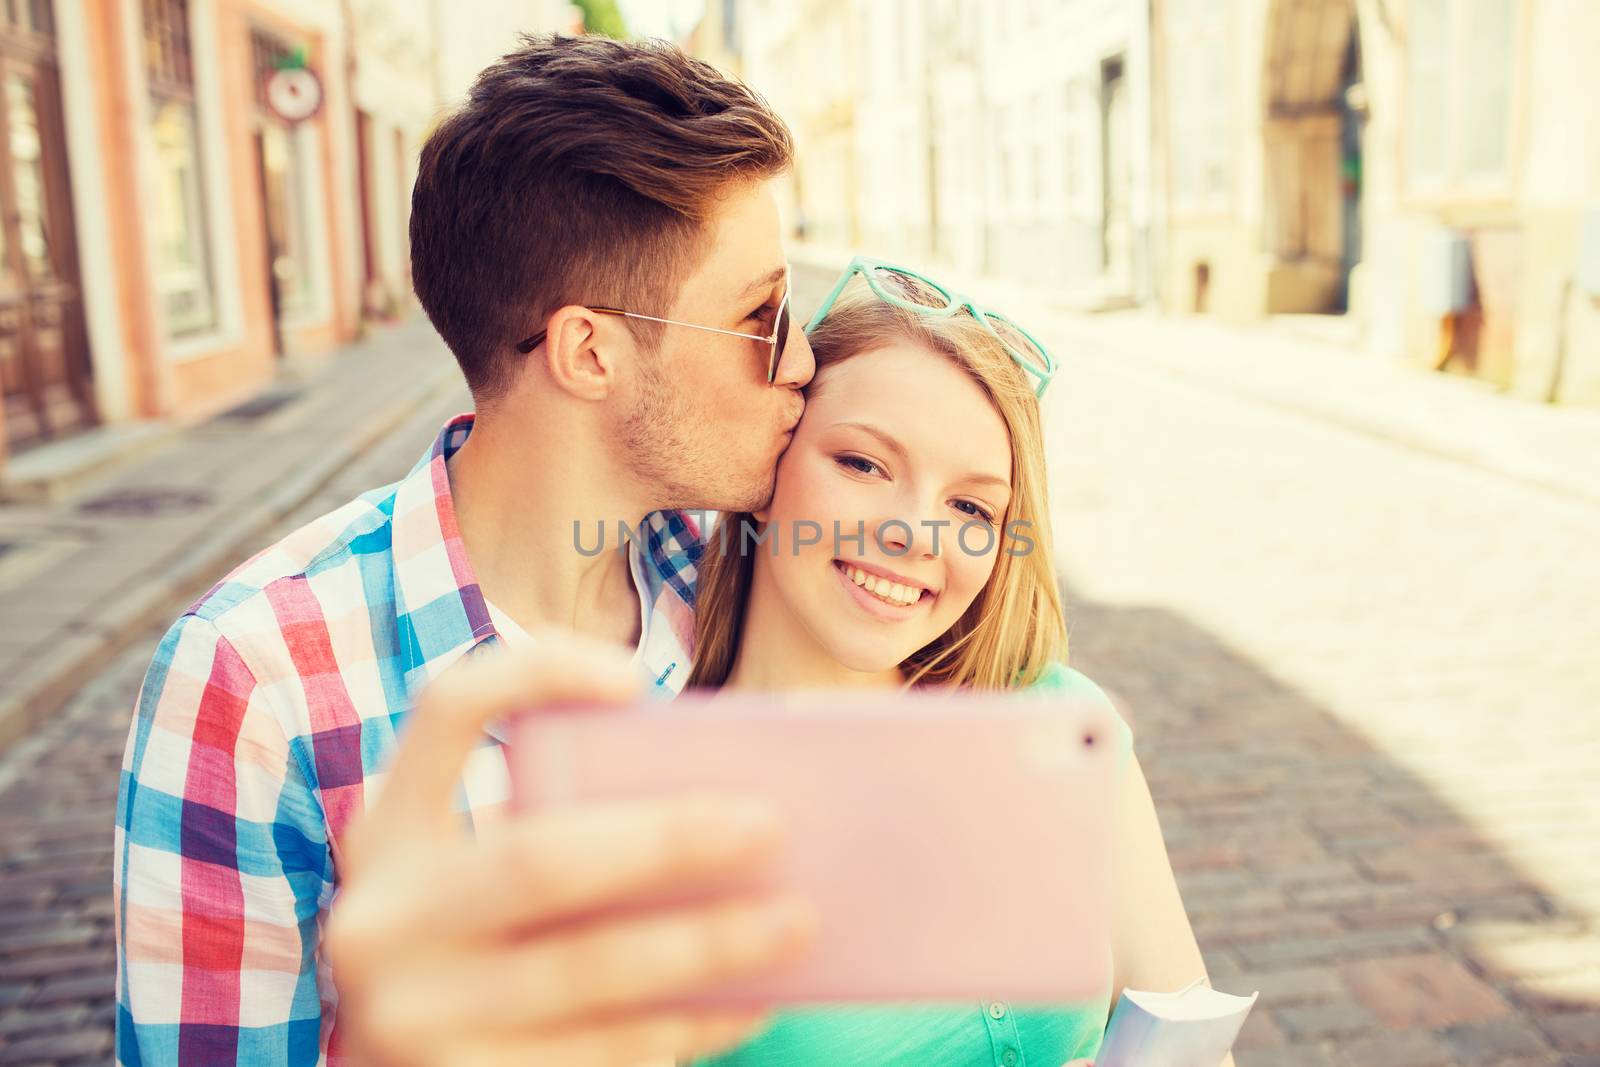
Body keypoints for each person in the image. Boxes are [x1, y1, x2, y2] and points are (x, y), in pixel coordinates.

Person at [114, 34, 823, 1066]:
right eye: (762, 315)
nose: (801, 358)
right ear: (591, 352)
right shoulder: (255, 679)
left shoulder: (740, 577)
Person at [678, 261, 1231, 1067]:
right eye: (864, 464)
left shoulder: (1062, 723)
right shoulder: (660, 804)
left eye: (970, 506)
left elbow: (1195, 1045)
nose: (917, 533)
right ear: (768, 471)